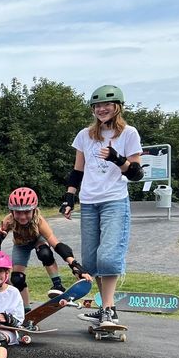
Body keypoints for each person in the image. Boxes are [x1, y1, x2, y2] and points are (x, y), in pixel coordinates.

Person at [61, 84, 143, 327]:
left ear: (117, 107)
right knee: (93, 260)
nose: (101, 109)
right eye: (97, 106)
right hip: (89, 202)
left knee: (108, 256)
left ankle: (108, 310)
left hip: (114, 201)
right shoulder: (85, 135)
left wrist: (118, 159)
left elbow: (136, 174)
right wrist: (69, 197)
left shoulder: (129, 133)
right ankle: (104, 308)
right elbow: (78, 170)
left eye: (106, 105)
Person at [0, 187, 90, 310]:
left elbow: (56, 245)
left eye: (27, 212)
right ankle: (25, 310)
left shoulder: (38, 220)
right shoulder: (8, 221)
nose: (22, 217)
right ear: (11, 211)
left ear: (34, 210)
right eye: (18, 212)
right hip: (21, 245)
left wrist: (74, 265)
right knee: (17, 278)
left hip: (38, 240)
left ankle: (58, 285)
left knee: (45, 253)